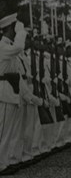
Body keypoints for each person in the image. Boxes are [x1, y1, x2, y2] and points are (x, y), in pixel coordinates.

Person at [0, 13, 27, 172]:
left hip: (11, 91)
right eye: (15, 27)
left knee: (9, 131)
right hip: (3, 92)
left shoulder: (7, 45)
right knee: (3, 131)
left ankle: (6, 161)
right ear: (10, 27)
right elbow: (19, 47)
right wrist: (22, 32)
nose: (18, 30)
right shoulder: (3, 46)